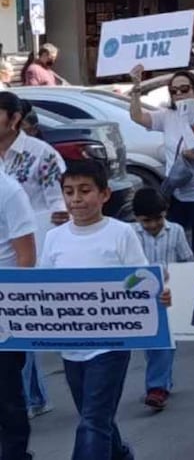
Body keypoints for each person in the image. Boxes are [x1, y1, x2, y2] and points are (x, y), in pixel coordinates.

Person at [40, 160, 168, 460]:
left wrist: (157, 293)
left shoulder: (120, 233)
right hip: (71, 347)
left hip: (111, 345)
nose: (76, 199)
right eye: (69, 192)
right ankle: (120, 454)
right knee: (95, 414)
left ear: (105, 194)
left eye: (85, 190)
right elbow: (42, 288)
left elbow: (141, 278)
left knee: (93, 418)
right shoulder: (54, 238)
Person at [0, 94, 66, 421]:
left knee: (18, 328)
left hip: (29, 256)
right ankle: (31, 397)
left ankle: (22, 401)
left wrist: (55, 216)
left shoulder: (42, 155)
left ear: (14, 118)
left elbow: (63, 203)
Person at [129, 66, 194, 259]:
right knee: (170, 245)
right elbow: (137, 116)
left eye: (184, 89)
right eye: (174, 91)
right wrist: (136, 86)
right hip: (177, 194)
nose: (179, 94)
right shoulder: (167, 116)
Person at [130, 187, 194, 411]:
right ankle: (162, 380)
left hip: (167, 297)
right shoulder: (130, 234)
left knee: (164, 343)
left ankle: (157, 387)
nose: (153, 225)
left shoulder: (175, 231)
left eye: (158, 218)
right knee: (151, 343)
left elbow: (188, 262)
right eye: (147, 220)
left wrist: (179, 282)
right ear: (137, 218)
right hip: (139, 298)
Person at [0, 170, 36, 460]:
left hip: (4, 312)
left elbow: (26, 257)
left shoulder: (9, 191)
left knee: (7, 398)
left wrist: (15, 311)